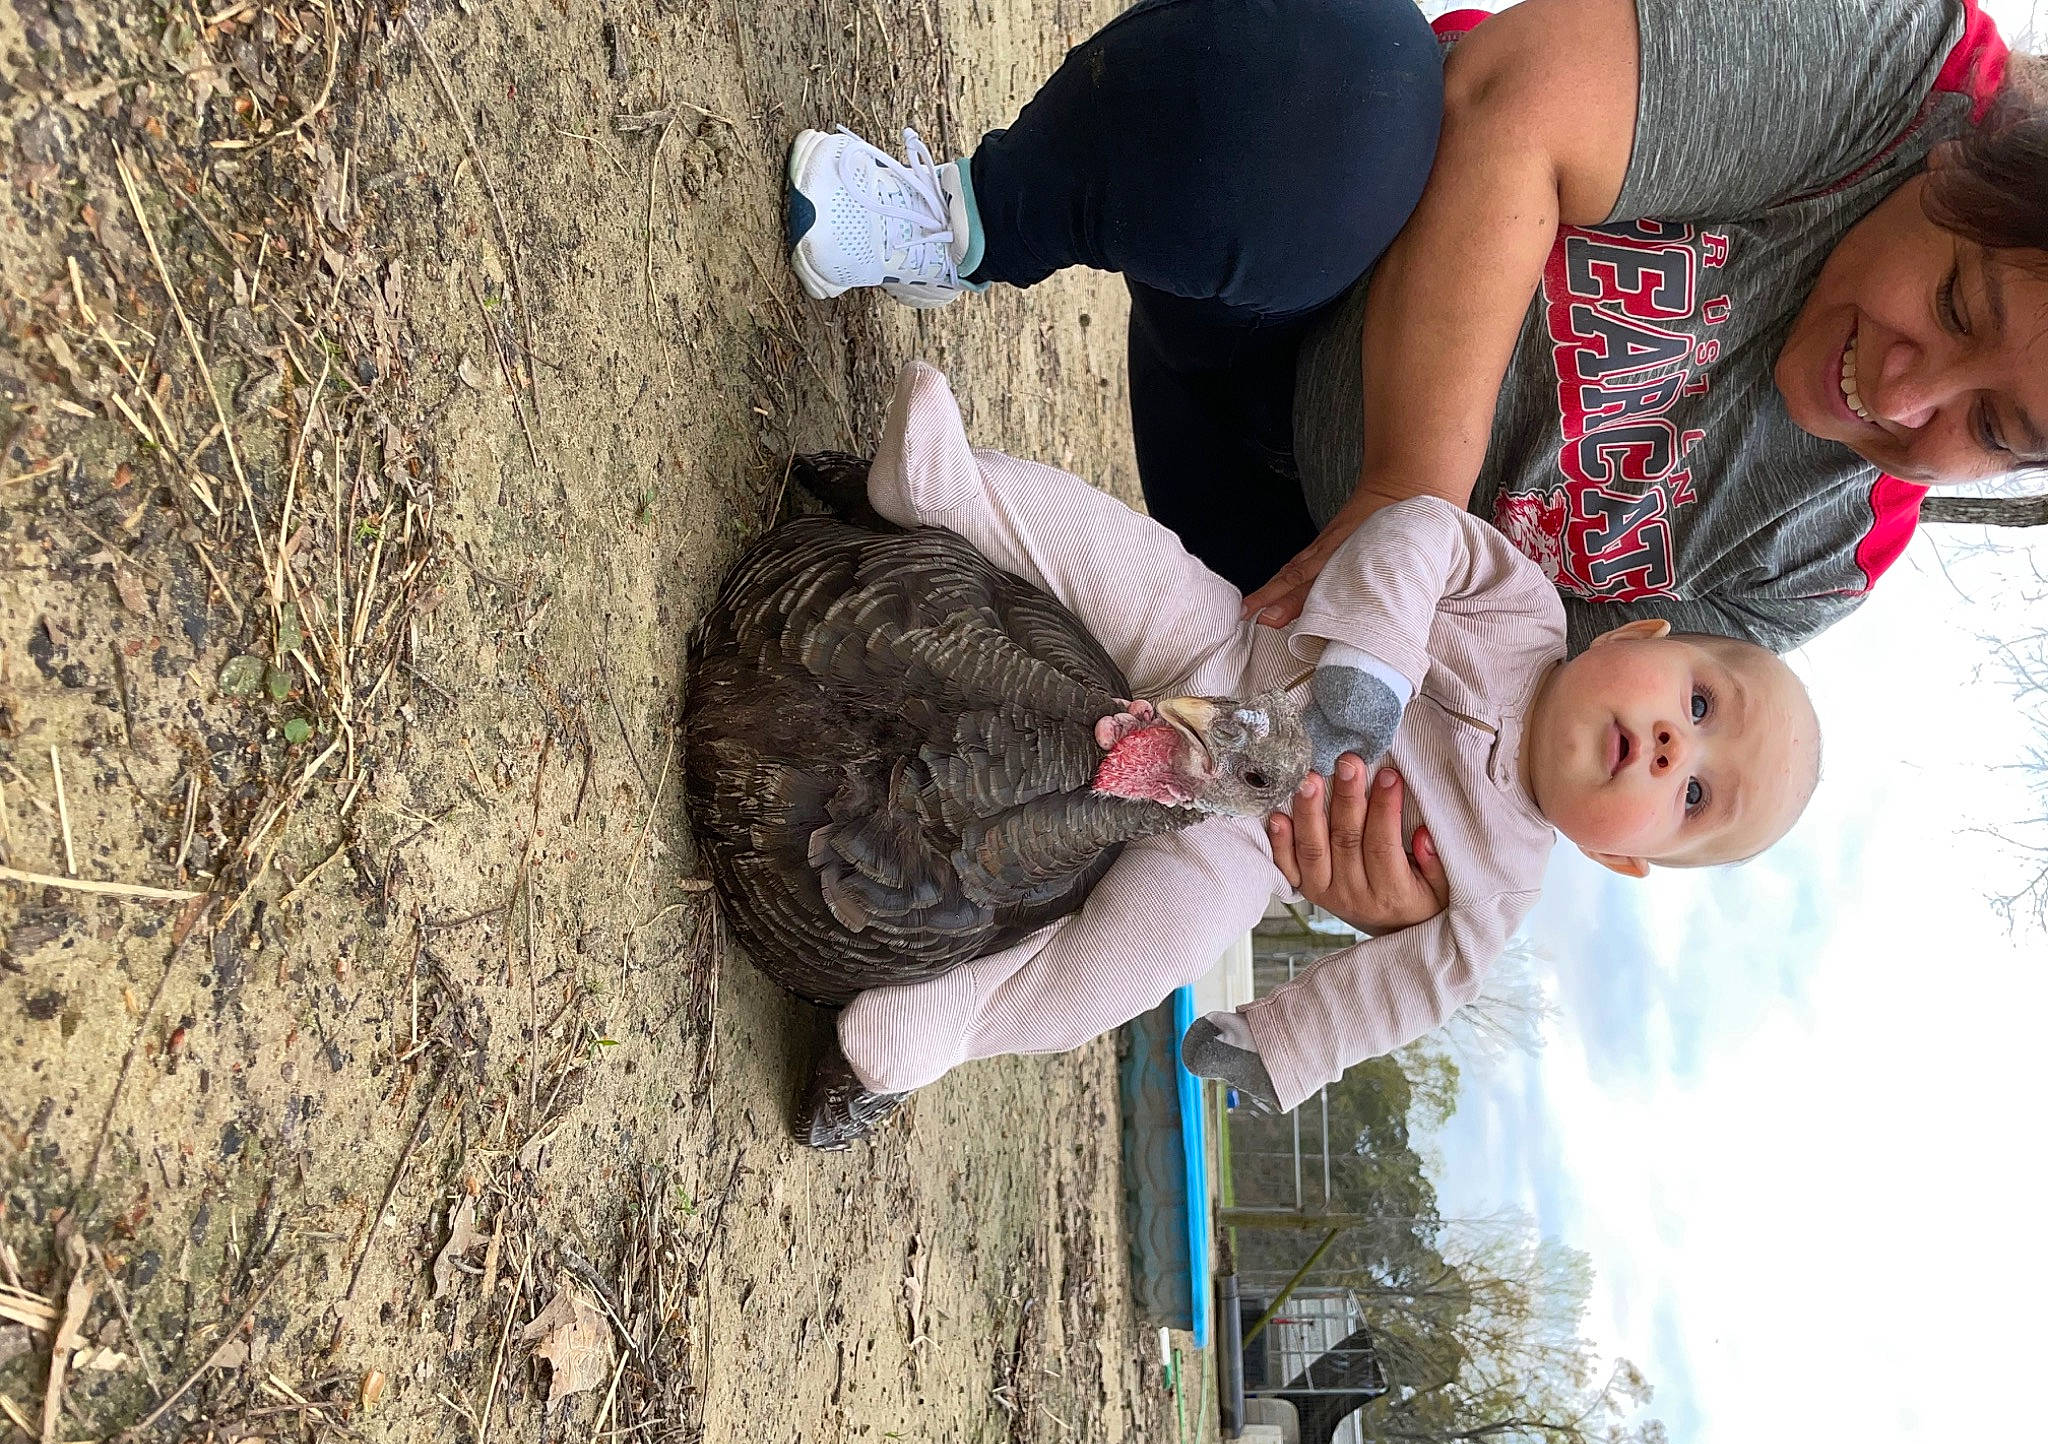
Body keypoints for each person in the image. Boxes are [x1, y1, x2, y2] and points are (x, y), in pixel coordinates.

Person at [783, 0, 2040, 937]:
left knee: (1119, 831)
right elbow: (1514, 101)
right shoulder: (1896, 70)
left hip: (1275, 591)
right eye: (1954, 299)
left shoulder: (1816, 561)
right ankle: (977, 215)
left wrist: (1402, 874)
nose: (1909, 393)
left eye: (1989, 429)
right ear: (1968, 173)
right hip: (1296, 279)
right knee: (1346, 77)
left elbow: (1544, 723)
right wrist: (1409, 500)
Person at [796, 363, 1821, 1147]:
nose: (1665, 745)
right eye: (1694, 703)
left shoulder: (1500, 891)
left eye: (1691, 792)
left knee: (1139, 959)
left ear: (1620, 859)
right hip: (1228, 651)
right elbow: (1421, 530)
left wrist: (1283, 1042)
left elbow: (1409, 989)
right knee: (1120, 558)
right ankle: (948, 490)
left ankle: (943, 1026)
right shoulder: (1519, 607)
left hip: (1241, 841)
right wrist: (1369, 664)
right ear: (1636, 638)